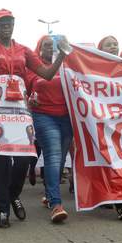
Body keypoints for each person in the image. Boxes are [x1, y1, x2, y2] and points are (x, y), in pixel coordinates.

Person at [0, 9, 69, 228]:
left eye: (9, 22)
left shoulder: (23, 50)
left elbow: (47, 74)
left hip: (21, 110)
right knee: (1, 160)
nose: (6, 25)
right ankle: (2, 210)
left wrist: (61, 54)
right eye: (1, 22)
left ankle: (14, 194)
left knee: (24, 159)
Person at [26, 35, 73, 223]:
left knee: (61, 158)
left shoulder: (70, 65)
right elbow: (26, 90)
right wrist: (29, 100)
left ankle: (48, 193)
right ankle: (56, 204)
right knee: (53, 156)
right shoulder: (33, 67)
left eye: (54, 45)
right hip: (44, 116)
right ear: (39, 49)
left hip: (67, 117)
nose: (50, 48)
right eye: (47, 45)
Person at [97, 35, 122, 220]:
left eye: (116, 44)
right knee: (109, 159)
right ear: (100, 49)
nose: (113, 47)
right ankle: (118, 201)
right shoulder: (91, 68)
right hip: (101, 122)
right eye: (109, 45)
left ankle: (119, 196)